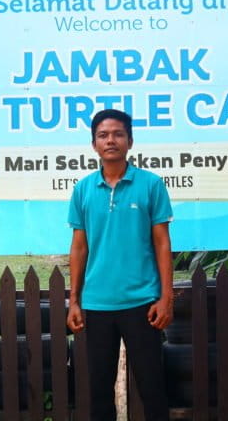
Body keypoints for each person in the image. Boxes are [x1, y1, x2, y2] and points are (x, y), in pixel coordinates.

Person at [66, 108, 174, 421]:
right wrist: (74, 301)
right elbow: (79, 246)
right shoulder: (83, 189)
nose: (110, 140)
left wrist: (166, 297)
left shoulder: (151, 184)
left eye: (117, 134)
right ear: (94, 144)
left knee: (153, 388)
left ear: (130, 141)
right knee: (99, 392)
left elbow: (162, 243)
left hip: (143, 303)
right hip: (98, 304)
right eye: (103, 135)